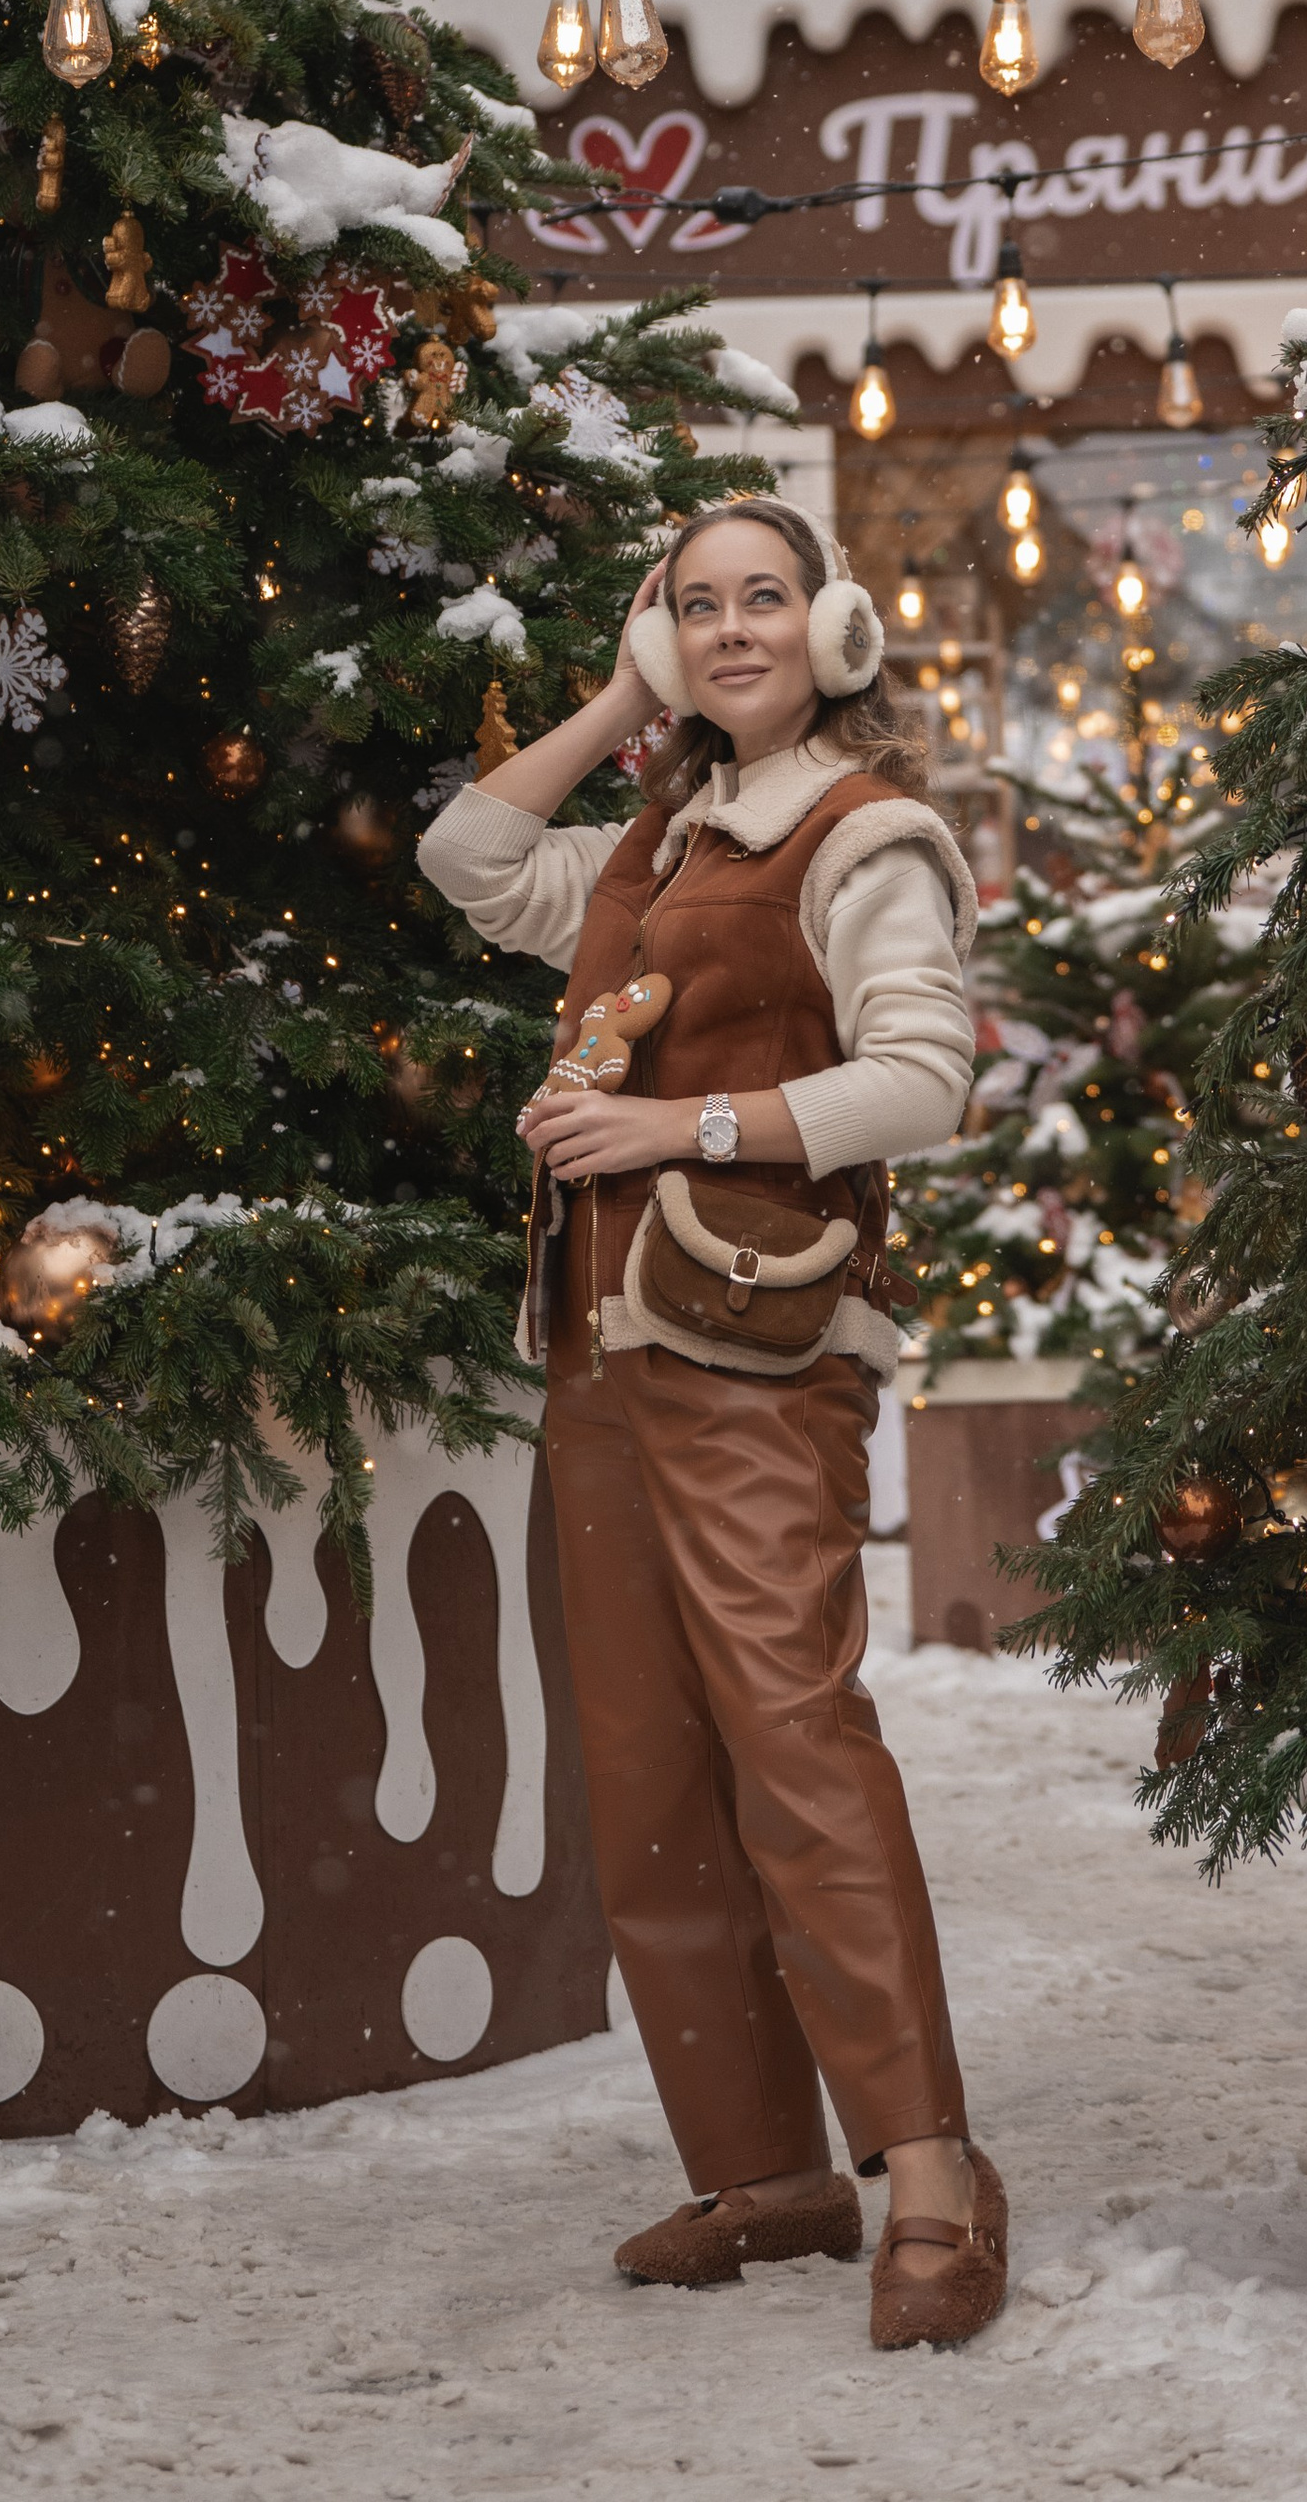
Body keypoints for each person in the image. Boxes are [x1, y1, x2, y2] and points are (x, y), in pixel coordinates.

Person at [416, 493, 1007, 2351]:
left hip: (759, 1356)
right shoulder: (651, 844)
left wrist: (680, 1129)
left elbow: (926, 1083)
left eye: (767, 599)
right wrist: (618, 697)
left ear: (832, 631)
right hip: (601, 1358)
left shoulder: (867, 833)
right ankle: (766, 2169)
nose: (734, 629)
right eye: (698, 607)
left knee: (797, 1748)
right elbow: (462, 849)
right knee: (648, 1767)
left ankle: (930, 2165)